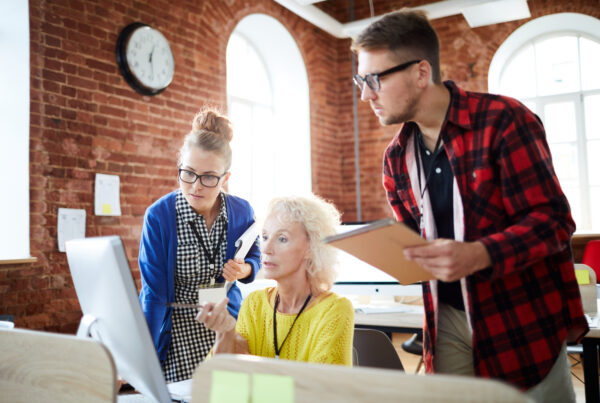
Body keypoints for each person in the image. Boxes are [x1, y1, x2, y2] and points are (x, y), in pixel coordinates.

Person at [351, 10, 588, 402]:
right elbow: (415, 242)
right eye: (361, 80)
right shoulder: (396, 158)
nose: (365, 95)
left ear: (421, 73)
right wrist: (395, 252)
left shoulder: (503, 121)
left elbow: (554, 222)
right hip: (442, 323)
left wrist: (480, 254)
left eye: (374, 79)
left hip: (516, 319)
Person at [138, 107, 261, 382]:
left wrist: (245, 270)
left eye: (208, 177)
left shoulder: (241, 211)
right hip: (177, 334)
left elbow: (254, 253)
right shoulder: (159, 216)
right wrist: (142, 354)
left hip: (226, 326)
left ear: (225, 178)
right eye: (188, 173)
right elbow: (153, 294)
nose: (196, 186)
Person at [195, 194, 354, 366]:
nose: (267, 249)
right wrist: (225, 334)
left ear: (312, 247)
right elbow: (218, 382)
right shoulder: (254, 304)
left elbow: (317, 389)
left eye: (282, 239)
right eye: (264, 237)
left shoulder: (334, 310)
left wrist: (248, 367)